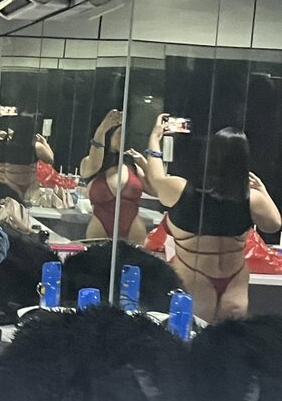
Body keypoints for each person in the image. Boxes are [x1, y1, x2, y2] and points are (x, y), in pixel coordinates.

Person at [143, 118, 282, 323]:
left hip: (195, 274)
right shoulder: (251, 199)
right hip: (232, 277)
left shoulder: (179, 189)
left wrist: (155, 139)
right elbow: (273, 224)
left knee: (192, 334)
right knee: (227, 338)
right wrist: (262, 190)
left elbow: (155, 179)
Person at [79, 109, 148, 245]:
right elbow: (95, 162)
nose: (123, 137)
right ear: (108, 135)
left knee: (135, 258)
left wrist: (144, 164)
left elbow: (155, 190)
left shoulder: (133, 166)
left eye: (124, 133)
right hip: (100, 225)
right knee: (97, 258)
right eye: (119, 133)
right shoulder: (91, 165)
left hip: (134, 227)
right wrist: (101, 130)